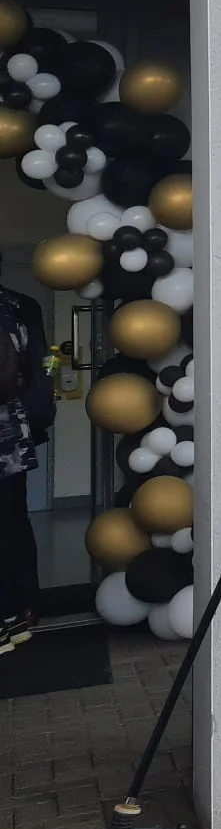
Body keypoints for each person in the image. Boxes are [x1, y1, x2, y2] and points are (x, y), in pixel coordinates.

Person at [0, 267, 54, 648]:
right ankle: (26, 607)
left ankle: (6, 616)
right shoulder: (23, 305)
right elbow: (43, 364)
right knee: (15, 520)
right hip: (13, 432)